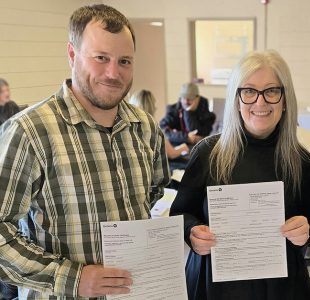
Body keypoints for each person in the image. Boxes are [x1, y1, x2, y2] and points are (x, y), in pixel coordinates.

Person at [0, 4, 170, 299]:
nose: (113, 73)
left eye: (125, 61)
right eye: (101, 58)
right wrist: (73, 278)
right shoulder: (29, 131)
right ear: (71, 54)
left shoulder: (145, 127)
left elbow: (153, 193)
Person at [170, 49, 310, 300]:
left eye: (271, 91)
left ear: (284, 99)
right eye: (248, 91)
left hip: (280, 289)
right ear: (236, 99)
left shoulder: (300, 160)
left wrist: (308, 229)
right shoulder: (208, 153)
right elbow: (180, 213)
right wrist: (192, 232)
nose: (260, 102)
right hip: (214, 286)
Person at [130, 89, 189, 159]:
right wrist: (184, 147)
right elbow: (172, 153)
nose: (156, 108)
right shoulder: (154, 130)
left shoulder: (128, 128)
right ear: (151, 108)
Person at [160, 82, 216, 147]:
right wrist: (186, 137)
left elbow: (196, 131)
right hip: (176, 150)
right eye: (183, 98)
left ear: (197, 98)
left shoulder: (207, 116)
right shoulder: (173, 111)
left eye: (190, 98)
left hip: (198, 150)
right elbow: (162, 130)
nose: (186, 101)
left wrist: (188, 112)